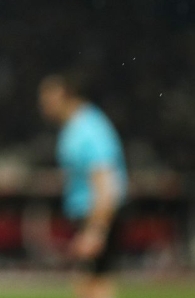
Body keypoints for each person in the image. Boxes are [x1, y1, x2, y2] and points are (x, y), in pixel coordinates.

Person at [39, 72, 128, 298]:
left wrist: (96, 230)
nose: (44, 106)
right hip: (89, 215)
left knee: (95, 288)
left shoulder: (88, 129)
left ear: (67, 96)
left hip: (97, 215)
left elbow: (105, 182)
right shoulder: (75, 127)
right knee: (87, 286)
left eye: (49, 98)